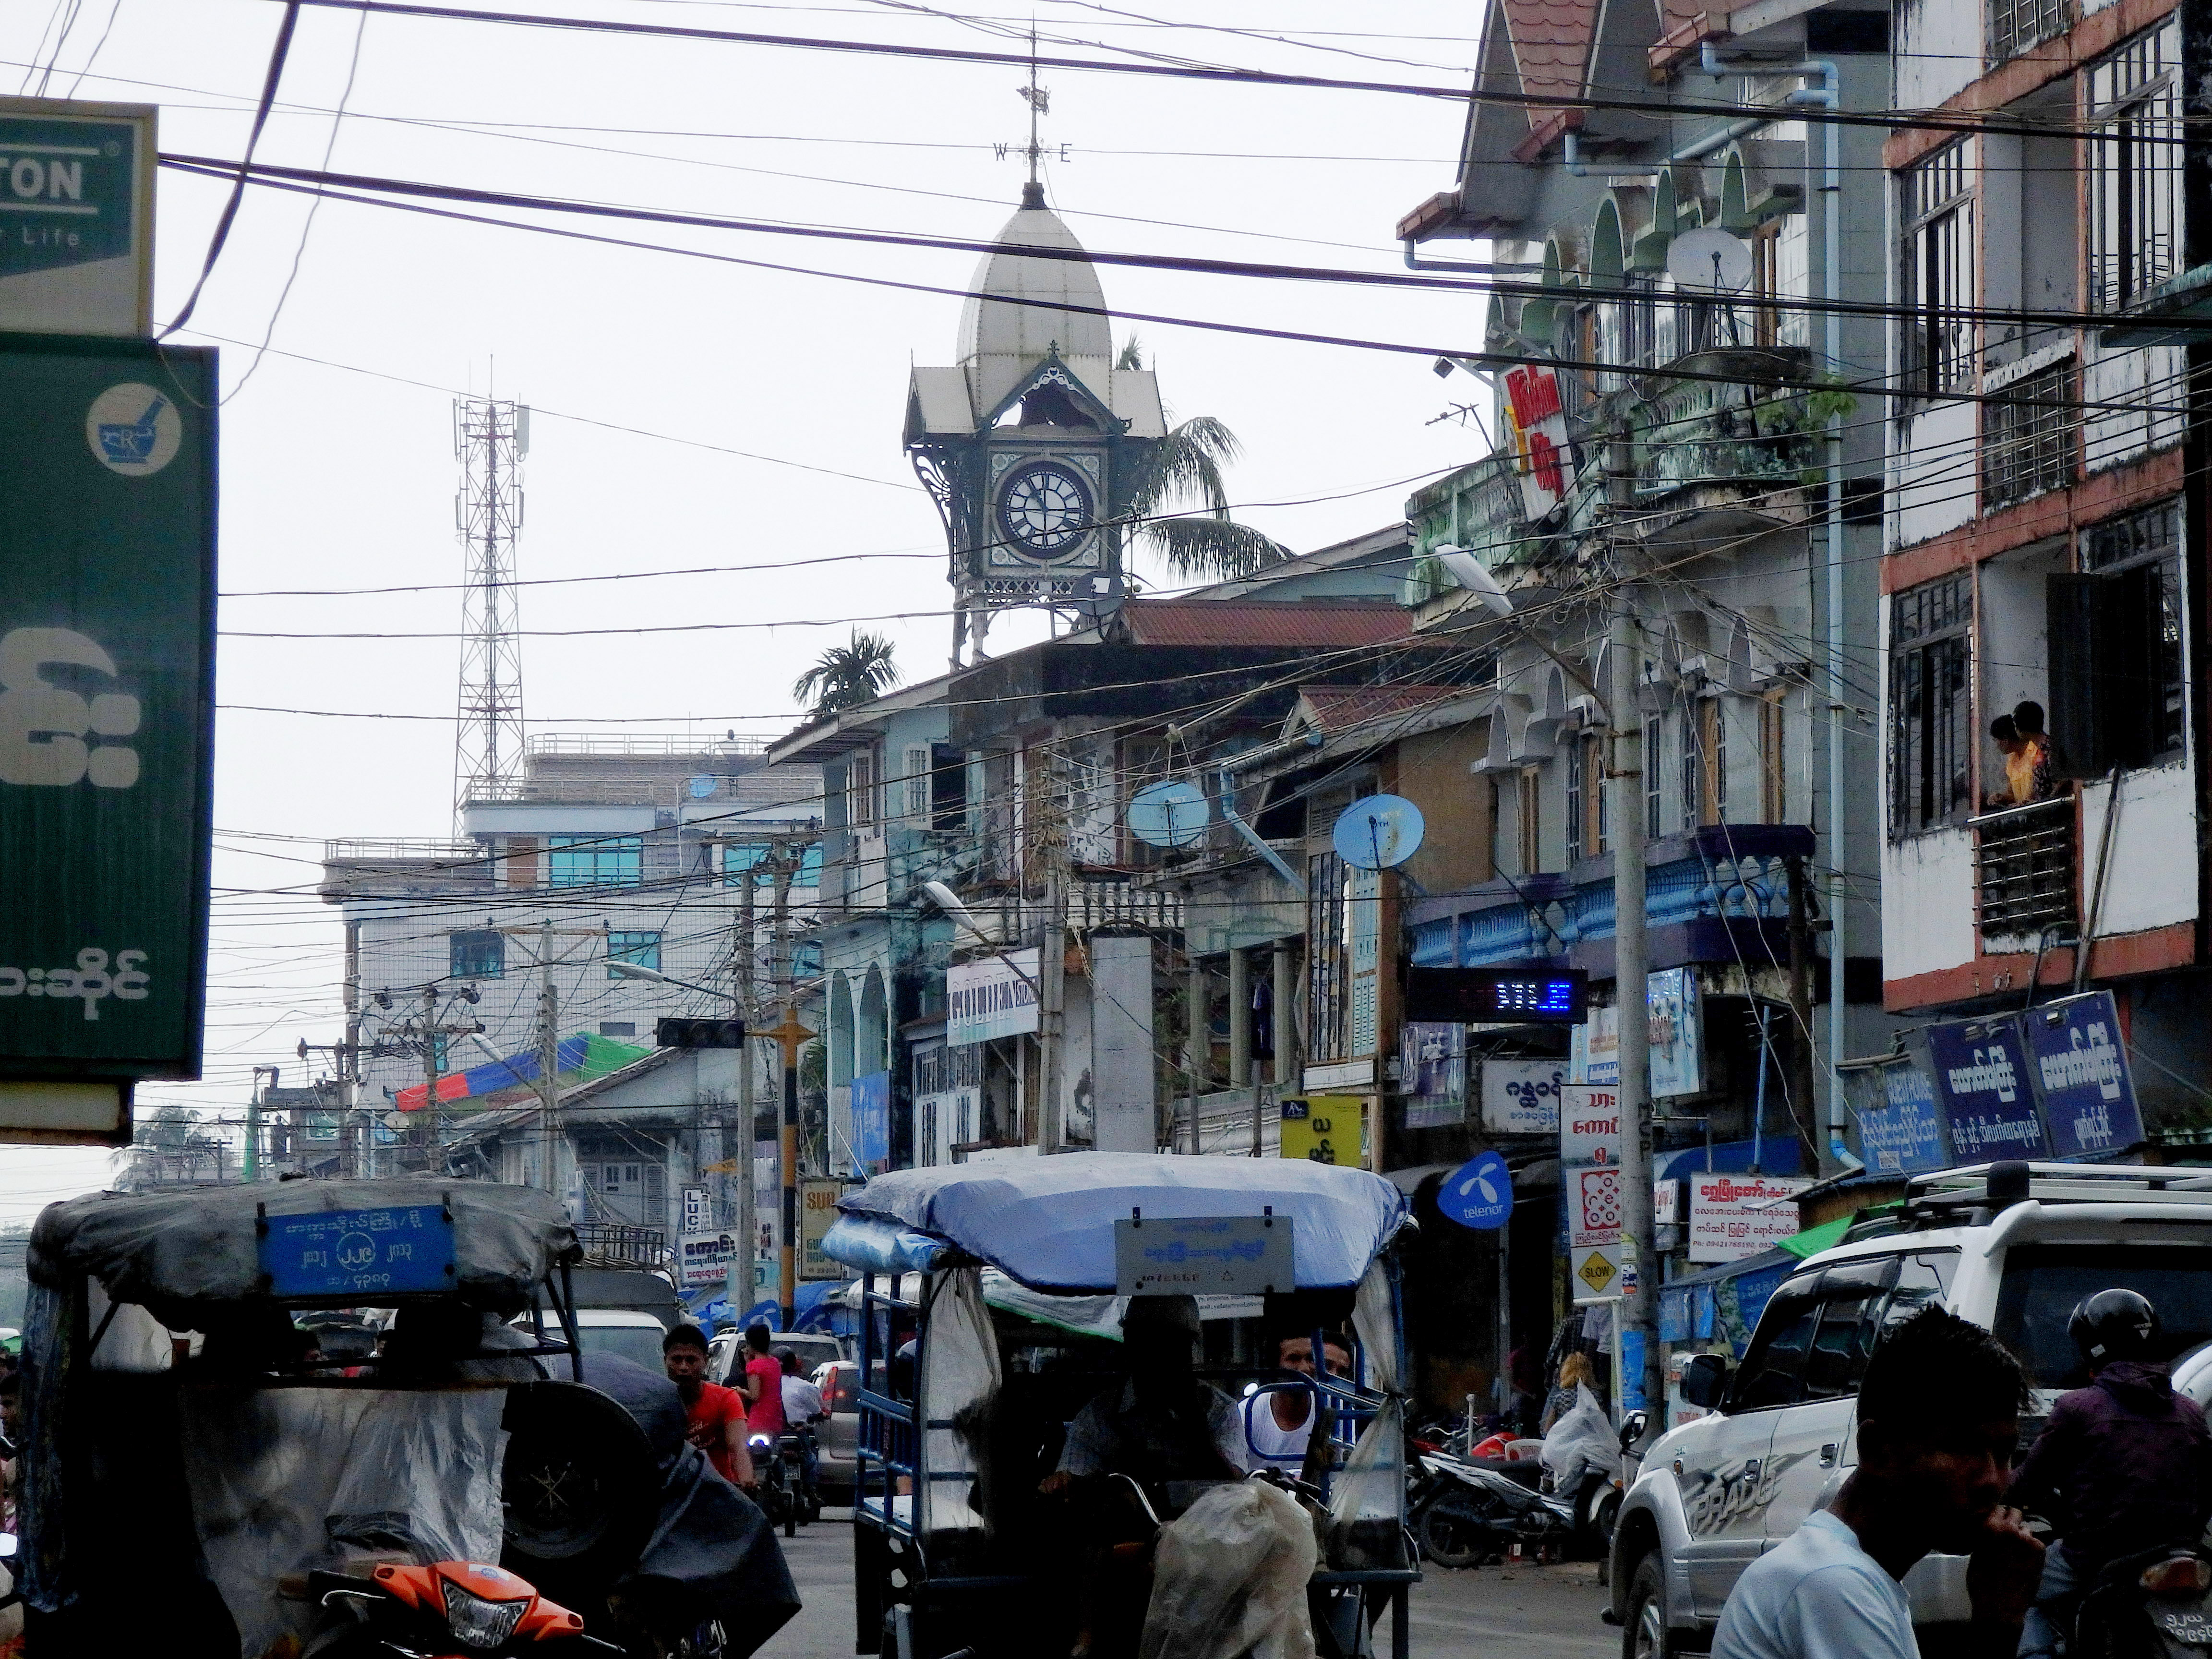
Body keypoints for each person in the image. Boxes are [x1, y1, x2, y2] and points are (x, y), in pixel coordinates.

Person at [1712, 1307, 2044, 1659]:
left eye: (2005, 1453)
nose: (1992, 1480)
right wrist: (1997, 1625)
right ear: (1878, 1451)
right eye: (1963, 1449)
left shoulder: (1853, 1573)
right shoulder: (1833, 1581)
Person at [2007, 1290, 2212, 1659]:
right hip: (2181, 1554)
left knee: (2018, 1583)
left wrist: (1995, 1491)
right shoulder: (2190, 1412)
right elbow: (2208, 1491)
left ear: (2091, 1347)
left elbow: (2028, 1482)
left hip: (2093, 1557)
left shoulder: (2076, 1408)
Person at [1040, 1295, 1253, 1495]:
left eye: (1172, 1348)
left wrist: (1196, 1430)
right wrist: (1066, 1483)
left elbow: (1237, 1486)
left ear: (1188, 1352)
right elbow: (1071, 1479)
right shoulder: (1098, 1417)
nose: (1160, 1362)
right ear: (1131, 1346)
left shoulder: (1219, 1410)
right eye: (1150, 1346)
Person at [1238, 1332, 1350, 1482]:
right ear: (1276, 1365)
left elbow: (1335, 1478)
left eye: (1311, 1359)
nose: (1303, 1368)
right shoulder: (1249, 1410)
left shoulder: (1334, 1409)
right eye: (1293, 1359)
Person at [663, 1323, 754, 1490]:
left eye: (691, 1360)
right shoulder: (655, 1401)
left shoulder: (726, 1398)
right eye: (677, 1360)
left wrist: (746, 1480)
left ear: (705, 1361)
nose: (684, 1367)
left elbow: (738, 1447)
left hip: (716, 1494)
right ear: (665, 1361)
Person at [777, 1346, 827, 1508]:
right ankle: (811, 1491)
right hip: (796, 1433)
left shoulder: (765, 1385)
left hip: (773, 1434)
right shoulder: (806, 1387)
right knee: (811, 1459)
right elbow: (818, 1411)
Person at [739, 1322, 787, 1443]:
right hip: (776, 1417)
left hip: (759, 1419)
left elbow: (754, 1396)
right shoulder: (775, 1362)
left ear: (750, 1344)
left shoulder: (754, 1366)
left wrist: (740, 1390)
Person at [1540, 1351, 1596, 1434]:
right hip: (1588, 1442)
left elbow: (1547, 1430)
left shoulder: (1559, 1398)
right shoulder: (1595, 1397)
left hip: (1564, 1442)